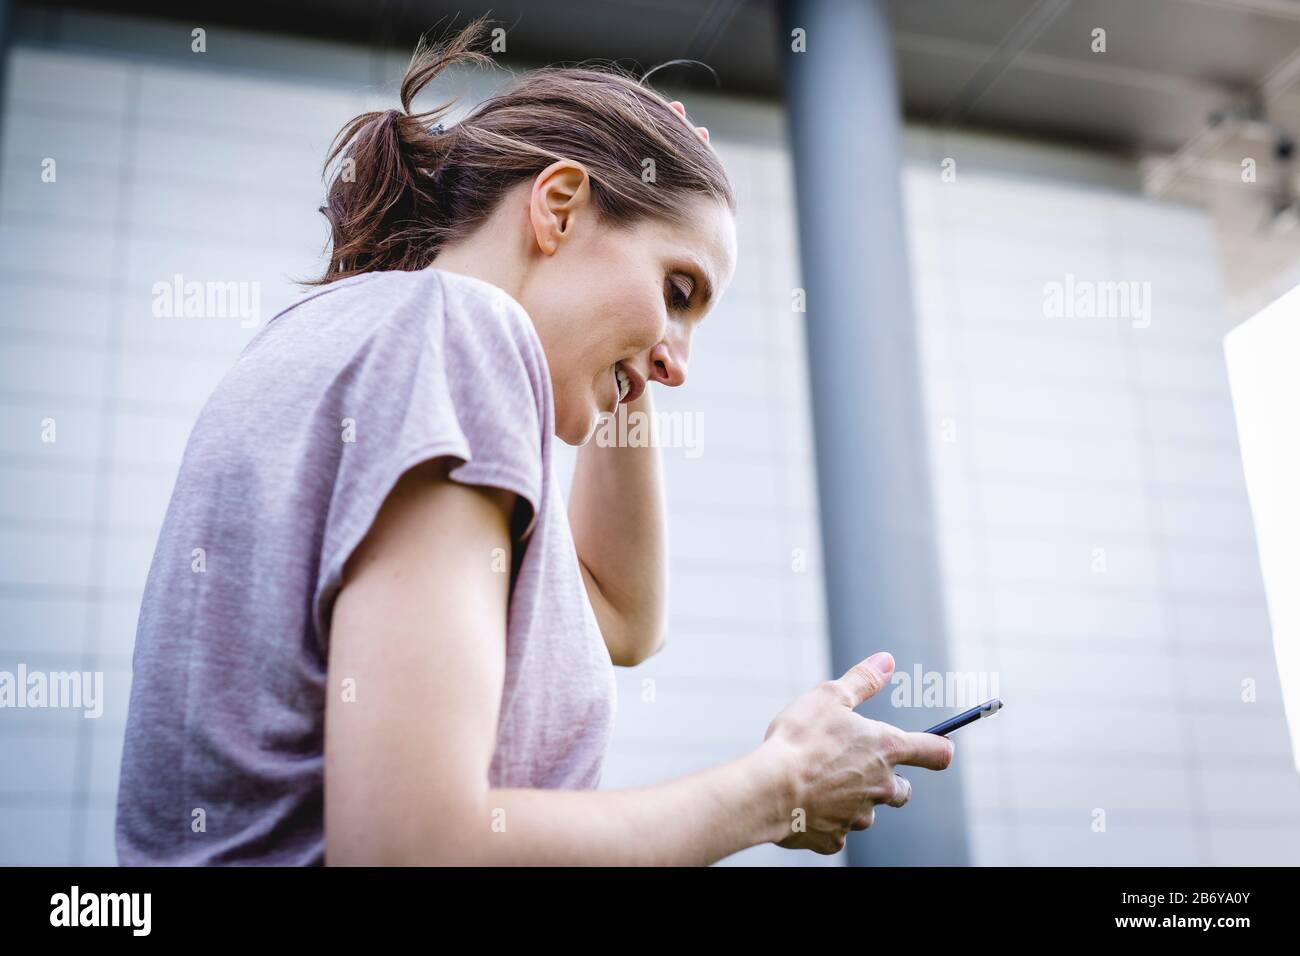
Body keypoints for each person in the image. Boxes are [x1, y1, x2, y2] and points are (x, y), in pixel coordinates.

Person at [115, 17, 954, 866]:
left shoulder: (348, 340)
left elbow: (624, 619)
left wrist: (634, 345)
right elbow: (411, 848)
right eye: (680, 287)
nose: (680, 367)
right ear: (556, 208)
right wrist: (781, 791)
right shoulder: (453, 332)